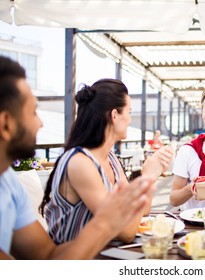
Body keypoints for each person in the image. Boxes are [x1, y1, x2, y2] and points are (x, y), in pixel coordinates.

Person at [0, 56, 155, 259]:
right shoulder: (79, 162)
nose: (40, 124)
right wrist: (111, 219)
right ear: (6, 124)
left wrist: (108, 220)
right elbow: (125, 232)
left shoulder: (9, 184)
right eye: (33, 112)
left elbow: (48, 258)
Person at [39, 78, 173, 245]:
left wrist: (149, 178)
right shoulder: (80, 163)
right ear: (115, 115)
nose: (130, 120)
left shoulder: (111, 158)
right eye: (129, 112)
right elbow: (125, 231)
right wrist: (146, 178)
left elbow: (143, 212)